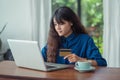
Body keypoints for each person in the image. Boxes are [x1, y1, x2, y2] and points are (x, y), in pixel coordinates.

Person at [41, 6, 107, 66]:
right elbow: (39, 58)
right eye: (55, 24)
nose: (58, 28)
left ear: (71, 22)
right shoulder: (53, 41)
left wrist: (81, 60)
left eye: (61, 24)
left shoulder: (85, 40)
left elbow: (102, 63)